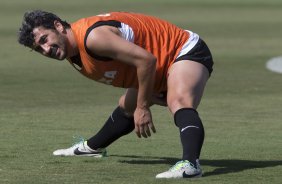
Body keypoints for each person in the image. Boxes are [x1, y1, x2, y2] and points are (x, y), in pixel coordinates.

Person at [18, 10, 214, 179]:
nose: (46, 50)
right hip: (158, 63)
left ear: (58, 26)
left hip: (183, 49)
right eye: (38, 49)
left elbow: (146, 61)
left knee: (178, 102)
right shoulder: (70, 49)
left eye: (44, 39)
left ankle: (191, 165)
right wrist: (148, 96)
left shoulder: (93, 39)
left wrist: (143, 106)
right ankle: (92, 148)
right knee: (126, 105)